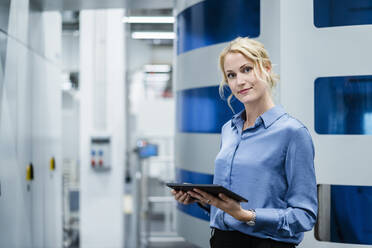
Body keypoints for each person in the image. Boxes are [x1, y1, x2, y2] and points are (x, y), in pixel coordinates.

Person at [171, 37, 317, 248]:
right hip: (221, 240)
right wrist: (203, 199)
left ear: (266, 68)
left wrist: (246, 215)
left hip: (264, 244)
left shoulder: (292, 133)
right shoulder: (228, 130)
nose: (239, 81)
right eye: (231, 75)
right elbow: (231, 203)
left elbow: (304, 215)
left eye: (246, 69)